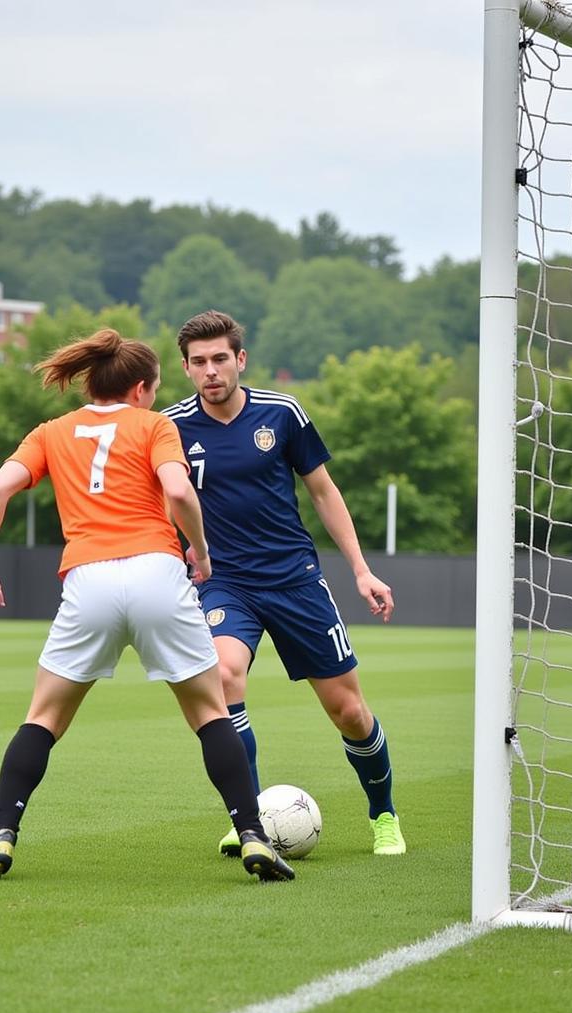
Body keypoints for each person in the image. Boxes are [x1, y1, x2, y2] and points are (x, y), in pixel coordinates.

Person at [0, 329, 293, 882]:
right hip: (157, 573)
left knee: (43, 716)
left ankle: (1, 836)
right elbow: (181, 493)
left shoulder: (52, 431)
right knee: (210, 712)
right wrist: (202, 553)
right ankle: (254, 836)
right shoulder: (154, 424)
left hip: (87, 578)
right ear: (141, 389)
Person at [163, 309, 404, 858]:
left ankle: (384, 813)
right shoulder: (171, 425)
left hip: (295, 581)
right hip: (223, 583)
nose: (211, 371)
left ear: (240, 359)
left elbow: (322, 491)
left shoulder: (283, 413)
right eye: (198, 363)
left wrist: (361, 570)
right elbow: (161, 502)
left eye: (220, 359)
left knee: (349, 711)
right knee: (224, 678)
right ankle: (247, 820)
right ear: (186, 368)